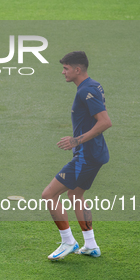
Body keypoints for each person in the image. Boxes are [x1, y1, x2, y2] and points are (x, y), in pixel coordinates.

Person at [41, 51, 112, 260]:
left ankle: (67, 242)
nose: (63, 72)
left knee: (49, 195)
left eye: (66, 68)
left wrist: (76, 140)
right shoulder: (93, 85)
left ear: (77, 69)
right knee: (75, 195)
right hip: (95, 153)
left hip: (86, 155)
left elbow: (105, 122)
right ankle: (90, 245)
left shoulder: (86, 91)